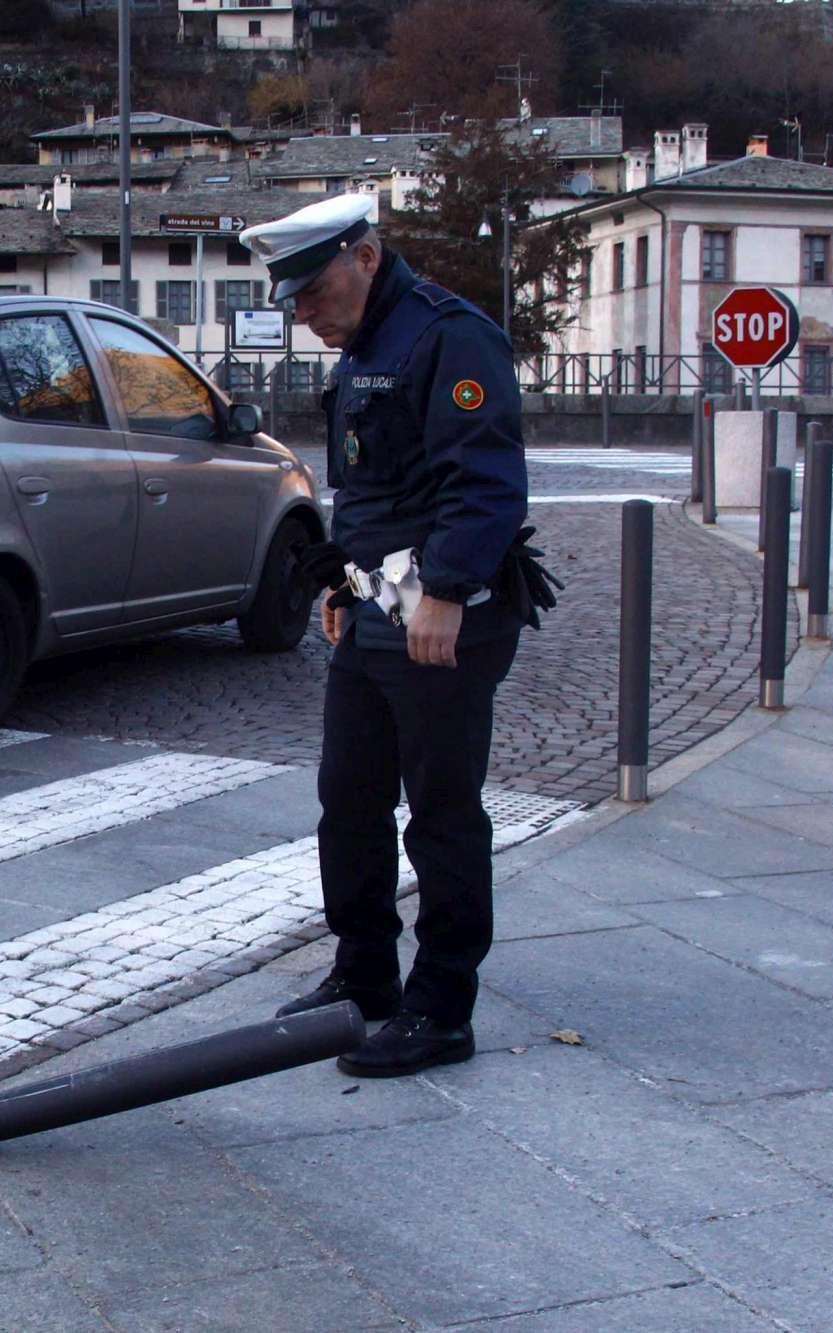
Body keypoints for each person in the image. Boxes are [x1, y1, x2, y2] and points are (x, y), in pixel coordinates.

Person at [238, 194, 539, 1079]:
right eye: (292, 299)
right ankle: (363, 974)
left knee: (442, 813)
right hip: (375, 614)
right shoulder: (368, 342)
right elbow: (372, 490)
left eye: (314, 289)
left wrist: (447, 588)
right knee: (350, 800)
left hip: (445, 621)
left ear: (367, 256)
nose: (304, 313)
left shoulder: (452, 335)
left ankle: (442, 1006)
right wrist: (344, 584)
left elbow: (484, 481)